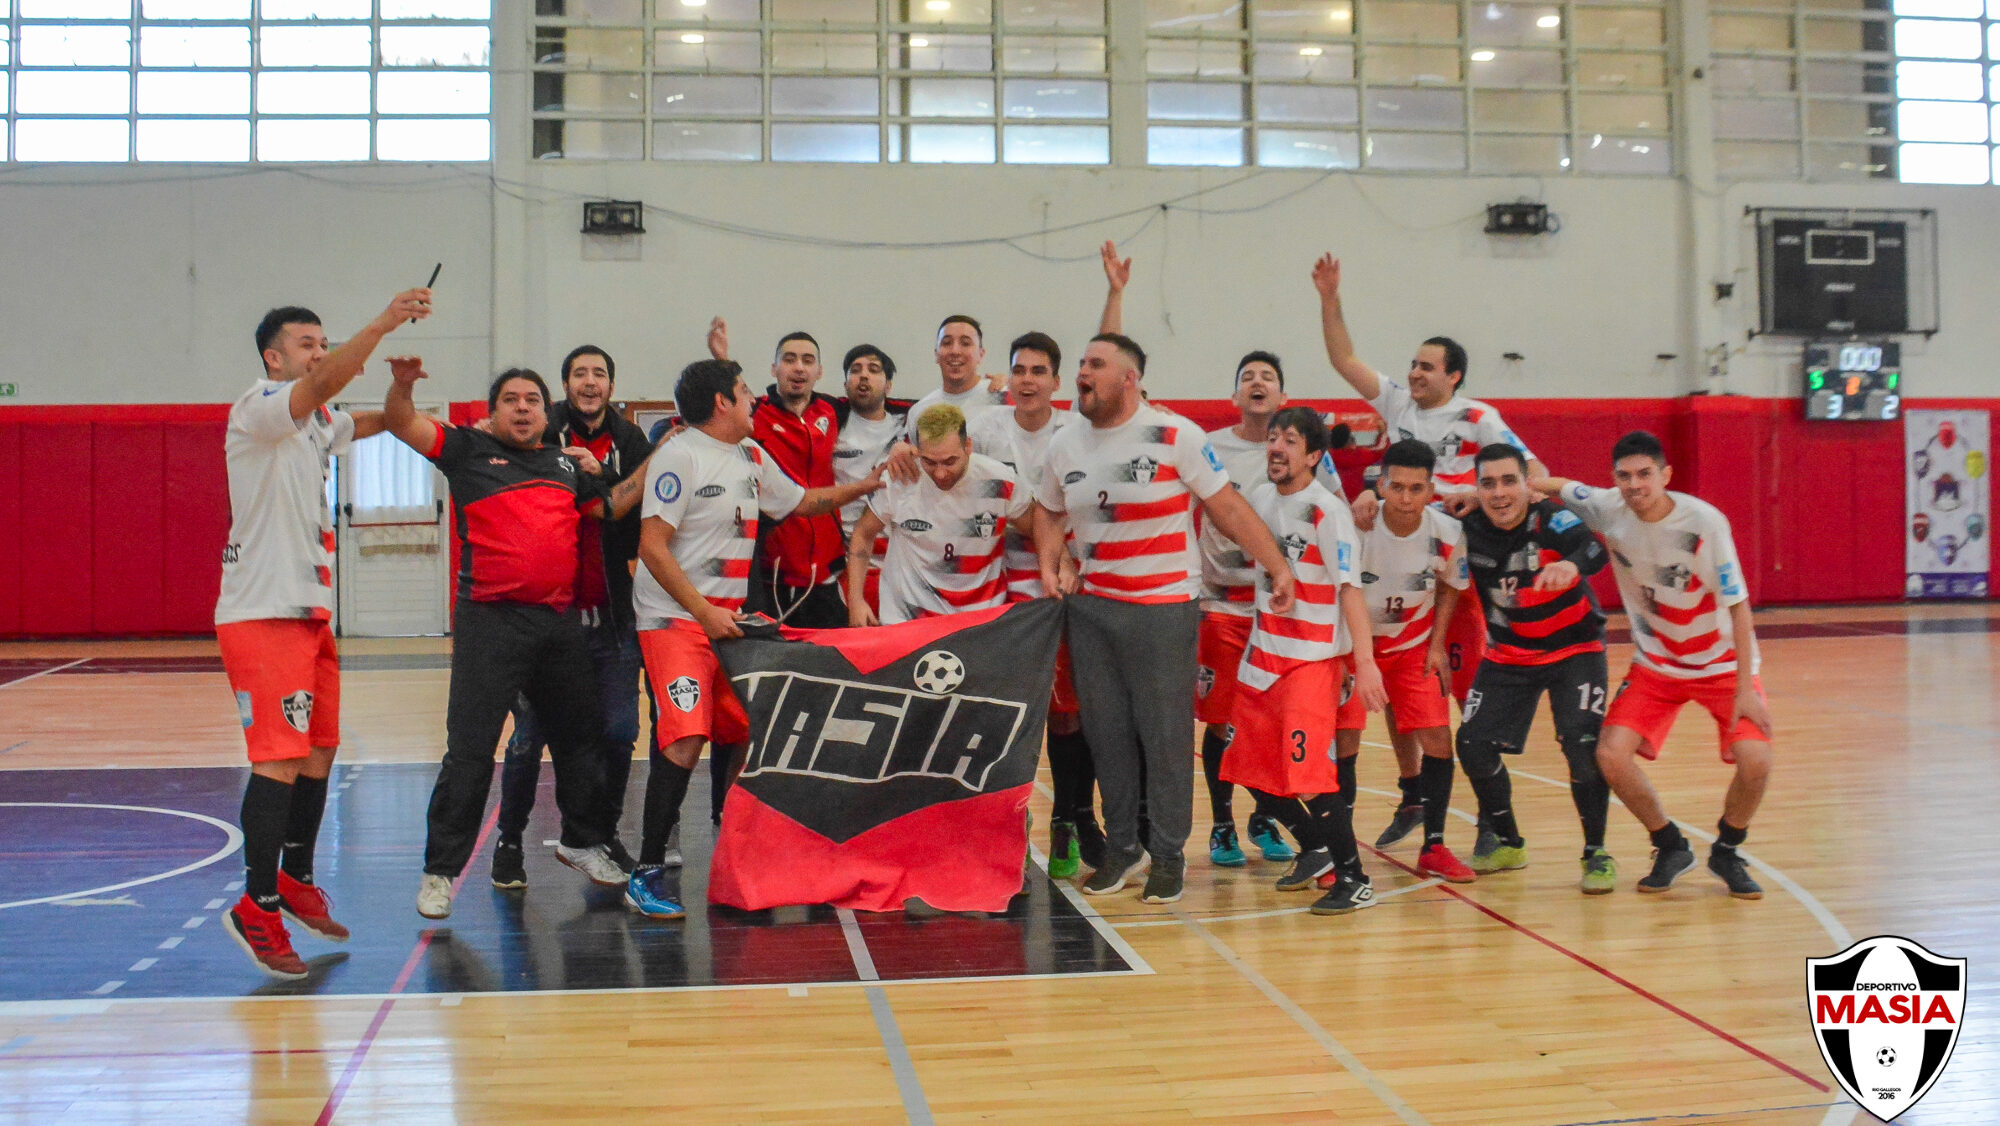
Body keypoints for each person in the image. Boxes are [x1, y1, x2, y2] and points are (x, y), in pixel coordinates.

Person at [1034, 333, 1297, 905]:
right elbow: (1049, 511)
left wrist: (1277, 565)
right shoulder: (1064, 443)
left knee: (1165, 737)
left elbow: (1228, 508)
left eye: (1095, 365)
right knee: (1107, 736)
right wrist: (1051, 563)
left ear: (1128, 379)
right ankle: (1123, 848)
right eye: (1082, 363)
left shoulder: (1177, 435)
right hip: (1093, 609)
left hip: (1163, 608)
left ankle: (1169, 854)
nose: (1082, 373)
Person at [217, 290, 429, 979]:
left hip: (308, 612)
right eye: (306, 344)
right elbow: (323, 386)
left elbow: (375, 420)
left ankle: (297, 875)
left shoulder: (315, 422)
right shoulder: (259, 407)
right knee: (278, 758)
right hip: (262, 611)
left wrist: (403, 390)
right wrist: (384, 322)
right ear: (274, 357)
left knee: (320, 748)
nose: (319, 352)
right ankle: (256, 903)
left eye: (322, 342)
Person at [625, 358, 884, 920]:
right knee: (685, 739)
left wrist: (866, 487)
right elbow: (651, 547)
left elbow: (801, 502)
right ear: (722, 402)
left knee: (746, 731)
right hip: (674, 621)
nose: (753, 401)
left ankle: (739, 852)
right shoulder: (679, 455)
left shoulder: (750, 454)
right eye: (744, 391)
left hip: (729, 621)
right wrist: (702, 612)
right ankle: (646, 872)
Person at [384, 362, 643, 920]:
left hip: (557, 625)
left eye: (531, 400)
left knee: (582, 738)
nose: (522, 408)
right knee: (471, 750)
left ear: (546, 413)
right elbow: (401, 422)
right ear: (493, 410)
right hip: (490, 623)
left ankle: (582, 841)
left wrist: (642, 463)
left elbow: (612, 507)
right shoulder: (467, 450)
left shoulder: (565, 464)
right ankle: (440, 872)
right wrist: (403, 385)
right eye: (510, 399)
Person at [1533, 432, 1774, 898]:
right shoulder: (1608, 506)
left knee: (1757, 761)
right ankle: (1669, 844)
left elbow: (1739, 606)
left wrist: (1746, 688)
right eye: (1624, 476)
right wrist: (1510, 489)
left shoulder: (1705, 523)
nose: (1634, 484)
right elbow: (1557, 485)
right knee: (1610, 755)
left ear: (1665, 475)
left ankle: (1727, 849)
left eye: (1644, 474)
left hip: (1721, 665)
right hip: (1657, 663)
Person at [1310, 253, 1542, 714]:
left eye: (1427, 367)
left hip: (1456, 552)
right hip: (1399, 549)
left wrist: (1478, 495)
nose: (1414, 372)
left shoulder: (1479, 417)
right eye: (1413, 364)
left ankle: (1479, 731)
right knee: (1408, 674)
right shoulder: (1398, 404)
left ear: (1453, 377)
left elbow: (1533, 475)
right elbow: (1343, 359)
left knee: (1464, 663)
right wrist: (1330, 298)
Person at [492, 344, 655, 890]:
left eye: (599, 374)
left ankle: (600, 835)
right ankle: (509, 841)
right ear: (564, 384)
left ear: (612, 385)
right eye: (580, 373)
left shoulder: (631, 441)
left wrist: (602, 474)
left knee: (619, 732)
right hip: (548, 620)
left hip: (612, 617)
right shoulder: (541, 432)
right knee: (529, 736)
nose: (590, 382)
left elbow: (634, 509)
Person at [1220, 408, 1386, 915]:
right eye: (1273, 438)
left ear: (1314, 456)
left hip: (1309, 663)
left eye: (1290, 440)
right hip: (1260, 661)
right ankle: (1315, 848)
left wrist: (1365, 662)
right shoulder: (1259, 499)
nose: (1276, 447)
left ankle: (1354, 878)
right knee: (1248, 770)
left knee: (1310, 778)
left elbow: (1350, 590)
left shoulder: (1327, 512)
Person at [1456, 445, 1618, 894]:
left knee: (1581, 744)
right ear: (1476, 488)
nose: (1499, 493)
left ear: (1527, 485)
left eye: (1509, 481)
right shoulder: (1466, 526)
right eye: (1488, 484)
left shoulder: (1550, 517)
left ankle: (1596, 853)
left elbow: (1594, 549)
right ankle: (1508, 844)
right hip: (1510, 654)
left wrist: (1569, 564)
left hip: (1576, 649)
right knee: (1472, 745)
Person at [968, 332, 1101, 877]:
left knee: (1068, 718)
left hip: (1062, 589)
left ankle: (1068, 818)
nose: (1027, 380)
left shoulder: (1076, 433)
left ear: (1056, 381)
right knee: (1007, 719)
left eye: (1038, 371)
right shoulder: (982, 428)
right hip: (999, 591)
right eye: (1019, 370)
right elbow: (936, 458)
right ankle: (1007, 831)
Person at [1360, 440, 1477, 884]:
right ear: (1381, 485)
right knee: (1343, 743)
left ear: (1431, 490)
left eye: (1416, 489)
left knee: (1438, 740)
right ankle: (1333, 852)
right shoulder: (1358, 525)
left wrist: (1437, 644)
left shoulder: (1447, 532)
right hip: (1358, 649)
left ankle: (1434, 846)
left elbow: (1450, 585)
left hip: (1413, 646)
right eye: (1397, 487)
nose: (1406, 498)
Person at [846, 403, 1029, 625]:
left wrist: (1062, 562)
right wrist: (856, 600)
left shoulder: (1000, 480)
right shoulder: (900, 479)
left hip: (980, 621)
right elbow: (863, 534)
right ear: (916, 450)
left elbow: (1038, 527)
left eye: (950, 461)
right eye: (929, 462)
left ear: (968, 446)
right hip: (908, 619)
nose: (940, 473)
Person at [831, 343, 915, 618]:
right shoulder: (831, 425)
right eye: (855, 370)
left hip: (902, 559)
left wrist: (995, 388)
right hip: (850, 561)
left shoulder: (908, 424)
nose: (864, 375)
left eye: (874, 370)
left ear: (889, 385)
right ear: (845, 385)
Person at [904, 315, 1011, 441]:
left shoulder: (1003, 397)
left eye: (965, 343)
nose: (955, 351)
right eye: (947, 343)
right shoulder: (919, 411)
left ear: (981, 355)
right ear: (936, 354)